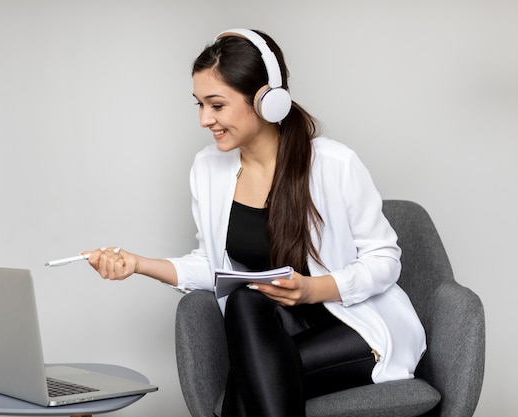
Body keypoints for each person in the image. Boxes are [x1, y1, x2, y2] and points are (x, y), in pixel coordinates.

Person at [83, 28, 426, 417]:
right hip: (280, 331)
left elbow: (385, 260)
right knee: (245, 302)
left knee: (245, 392)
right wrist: (139, 264)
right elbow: (214, 265)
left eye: (216, 105)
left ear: (266, 101)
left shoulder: (334, 164)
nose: (203, 119)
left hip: (362, 328)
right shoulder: (207, 169)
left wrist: (314, 289)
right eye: (198, 105)